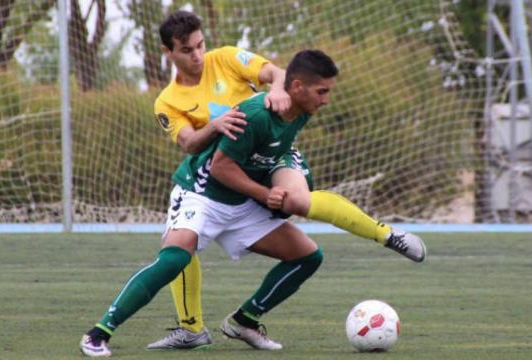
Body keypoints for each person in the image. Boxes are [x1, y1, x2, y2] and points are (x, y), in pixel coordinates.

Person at [149, 10, 427, 350]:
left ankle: (388, 234)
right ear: (169, 53)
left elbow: (276, 72)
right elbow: (190, 143)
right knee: (183, 242)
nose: (197, 55)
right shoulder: (167, 100)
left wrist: (278, 89)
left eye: (200, 45)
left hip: (272, 153)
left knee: (297, 201)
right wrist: (216, 126)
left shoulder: (225, 58)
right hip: (225, 172)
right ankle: (192, 328)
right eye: (187, 50)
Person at [80, 49, 339, 357]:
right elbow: (220, 167)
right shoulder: (256, 114)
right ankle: (98, 333)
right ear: (298, 87)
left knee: (308, 257)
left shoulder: (303, 111)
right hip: (201, 193)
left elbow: (274, 83)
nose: (326, 99)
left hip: (240, 201)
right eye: (322, 91)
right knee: (175, 259)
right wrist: (263, 194)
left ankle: (245, 320)